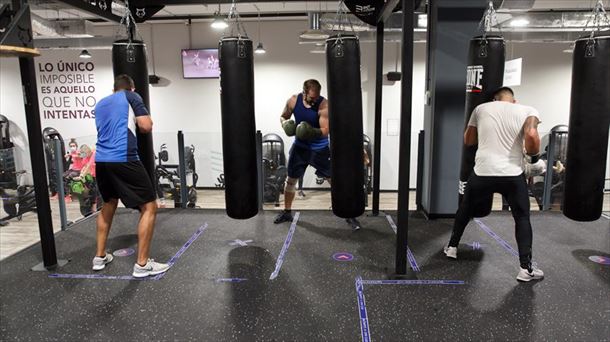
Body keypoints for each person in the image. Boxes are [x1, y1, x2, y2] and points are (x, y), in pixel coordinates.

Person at [444, 87, 545, 282]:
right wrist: (533, 159)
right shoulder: (528, 110)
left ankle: (452, 248)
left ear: (494, 99)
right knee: (522, 218)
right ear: (514, 100)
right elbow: (532, 135)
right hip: (512, 174)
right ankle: (526, 269)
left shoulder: (481, 109)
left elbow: (468, 140)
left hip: (482, 172)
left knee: (465, 208)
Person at [91, 74, 170, 278]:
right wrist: (140, 117)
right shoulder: (131, 97)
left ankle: (100, 257)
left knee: (108, 204)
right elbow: (146, 126)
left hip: (101, 160)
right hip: (123, 157)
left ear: (113, 89)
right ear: (132, 89)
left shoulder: (100, 104)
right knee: (149, 206)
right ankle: (142, 265)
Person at [274, 79, 330, 224]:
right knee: (291, 180)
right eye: (312, 97)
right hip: (300, 148)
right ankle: (287, 212)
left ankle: (347, 213)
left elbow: (326, 130)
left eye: (317, 96)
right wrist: (285, 124)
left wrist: (312, 131)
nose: (315, 99)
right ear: (304, 92)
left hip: (319, 149)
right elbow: (283, 116)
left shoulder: (324, 105)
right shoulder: (293, 101)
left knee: (335, 181)